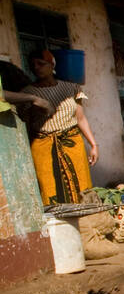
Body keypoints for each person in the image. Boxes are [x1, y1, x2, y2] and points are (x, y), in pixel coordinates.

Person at [23, 49, 99, 205]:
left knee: (81, 187)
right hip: (42, 146)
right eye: (33, 65)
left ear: (52, 65)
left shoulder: (71, 89)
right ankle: (58, 227)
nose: (36, 67)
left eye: (41, 63)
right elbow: (26, 125)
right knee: (49, 189)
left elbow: (81, 118)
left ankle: (85, 224)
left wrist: (93, 145)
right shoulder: (27, 93)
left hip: (72, 143)